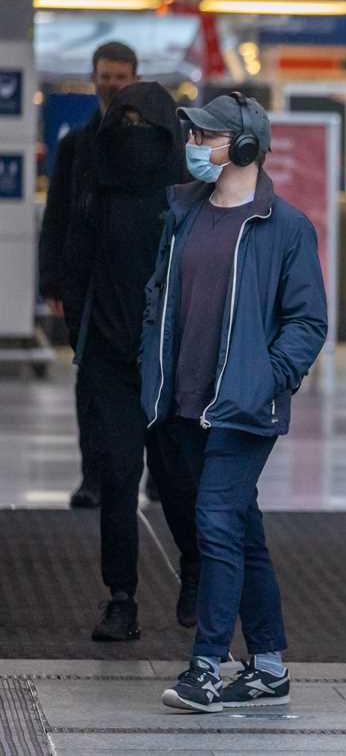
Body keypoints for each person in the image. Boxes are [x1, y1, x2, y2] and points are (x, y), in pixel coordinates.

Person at [146, 93, 328, 712]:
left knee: (215, 524)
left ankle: (206, 665)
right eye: (194, 133)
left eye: (209, 135)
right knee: (242, 530)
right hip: (185, 401)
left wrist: (265, 379)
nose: (196, 144)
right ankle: (269, 666)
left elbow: (307, 321)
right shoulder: (183, 214)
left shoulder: (287, 227)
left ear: (245, 145)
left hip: (243, 407)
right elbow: (158, 297)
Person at [70, 82, 199, 644]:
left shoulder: (186, 201)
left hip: (170, 366)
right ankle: (121, 597)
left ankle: (194, 569)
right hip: (112, 360)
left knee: (176, 481)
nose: (130, 135)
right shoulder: (96, 193)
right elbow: (75, 268)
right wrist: (86, 342)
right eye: (119, 124)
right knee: (119, 479)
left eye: (139, 123)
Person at [38, 40, 138, 509]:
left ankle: (159, 478)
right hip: (93, 288)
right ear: (93, 77)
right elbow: (58, 214)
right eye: (106, 75)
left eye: (121, 76)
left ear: (134, 79)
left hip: (143, 285)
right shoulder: (76, 145)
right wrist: (53, 280)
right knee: (92, 384)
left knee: (156, 384)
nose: (113, 84)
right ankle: (93, 477)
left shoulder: (157, 143)